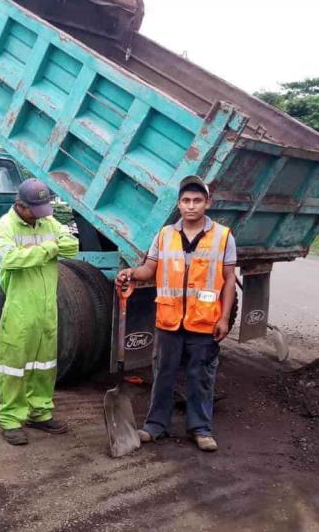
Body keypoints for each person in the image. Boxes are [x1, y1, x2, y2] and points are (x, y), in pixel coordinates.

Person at [115, 175, 237, 452]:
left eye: (197, 201)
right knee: (163, 374)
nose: (191, 206)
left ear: (207, 203)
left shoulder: (223, 236)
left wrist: (225, 317)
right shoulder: (165, 235)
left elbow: (229, 279)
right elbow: (149, 269)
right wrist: (132, 273)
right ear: (179, 204)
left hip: (204, 321)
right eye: (185, 201)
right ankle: (155, 426)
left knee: (201, 376)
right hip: (169, 320)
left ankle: (201, 428)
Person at [0, 178, 79, 445]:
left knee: (45, 364)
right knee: (13, 365)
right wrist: (49, 249)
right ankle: (10, 418)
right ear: (20, 205)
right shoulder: (5, 226)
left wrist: (37, 250)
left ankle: (40, 412)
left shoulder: (47, 222)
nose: (40, 216)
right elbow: (10, 260)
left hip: (46, 306)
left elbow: (72, 247)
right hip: (20, 307)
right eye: (35, 210)